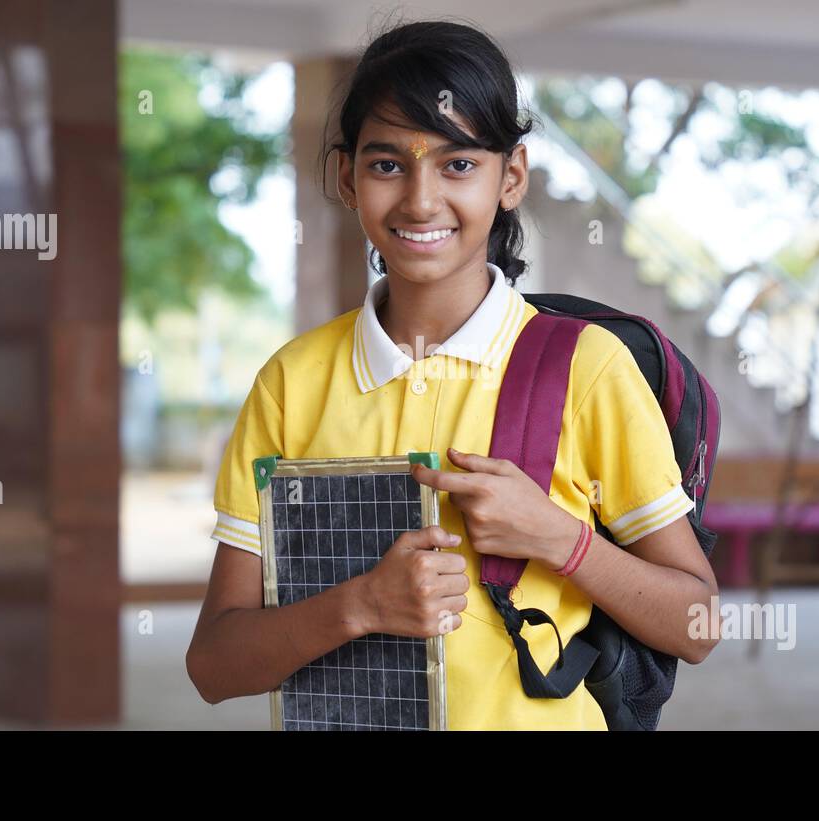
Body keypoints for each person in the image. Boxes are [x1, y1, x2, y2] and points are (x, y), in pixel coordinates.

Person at [185, 18, 720, 730]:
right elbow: (214, 665)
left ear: (512, 176)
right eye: (387, 165)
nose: (421, 200)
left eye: (458, 164)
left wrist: (562, 538)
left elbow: (699, 623)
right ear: (347, 176)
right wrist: (362, 604)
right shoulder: (291, 383)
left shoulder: (585, 368)